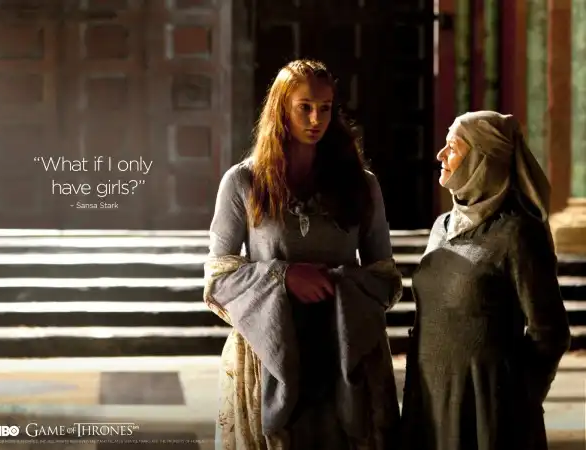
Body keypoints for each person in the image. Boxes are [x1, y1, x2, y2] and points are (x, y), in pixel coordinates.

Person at [203, 59, 403, 449]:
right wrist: (283, 276)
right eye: (304, 107)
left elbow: (384, 277)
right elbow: (218, 277)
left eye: (325, 108)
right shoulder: (243, 182)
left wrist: (339, 284)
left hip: (345, 348)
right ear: (281, 109)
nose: (316, 119)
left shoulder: (361, 185)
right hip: (268, 348)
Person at [399, 111, 571, 450]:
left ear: (482, 158)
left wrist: (517, 397)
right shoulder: (441, 227)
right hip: (430, 398)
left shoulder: (518, 232)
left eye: (453, 147)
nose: (440, 155)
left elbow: (550, 332)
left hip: (487, 410)